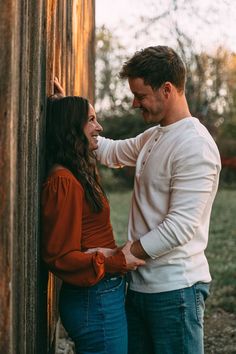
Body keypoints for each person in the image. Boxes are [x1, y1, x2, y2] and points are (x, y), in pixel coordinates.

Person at [94, 46, 221, 354]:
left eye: (141, 95)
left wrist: (124, 255)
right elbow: (109, 152)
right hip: (139, 287)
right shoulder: (154, 136)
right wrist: (70, 116)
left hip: (175, 293)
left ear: (167, 90)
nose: (135, 103)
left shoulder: (195, 146)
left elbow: (179, 227)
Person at [41, 95, 145, 354]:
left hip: (100, 294)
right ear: (71, 127)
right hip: (93, 298)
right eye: (91, 120)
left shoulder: (77, 171)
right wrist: (113, 261)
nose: (99, 127)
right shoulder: (63, 182)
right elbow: (59, 256)